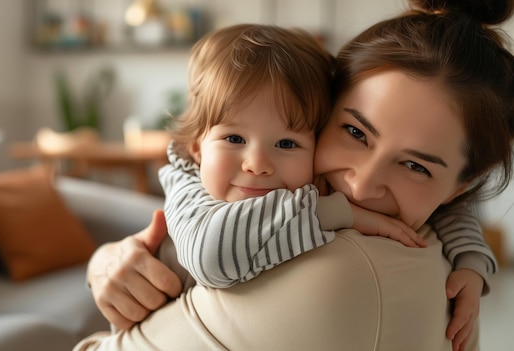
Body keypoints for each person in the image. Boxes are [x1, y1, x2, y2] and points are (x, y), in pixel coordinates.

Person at [78, 0, 514, 350]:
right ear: (323, 113)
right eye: (355, 132)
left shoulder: (339, 274)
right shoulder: (216, 179)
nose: (359, 186)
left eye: (415, 165)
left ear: (463, 184)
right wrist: (105, 261)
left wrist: (474, 263)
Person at [159, 23, 427, 290]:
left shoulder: (318, 181)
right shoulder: (187, 187)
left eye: (286, 143)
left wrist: (468, 261)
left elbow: (446, 201)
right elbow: (210, 258)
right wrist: (341, 213)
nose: (257, 165)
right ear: (197, 147)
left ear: (317, 145)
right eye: (234, 139)